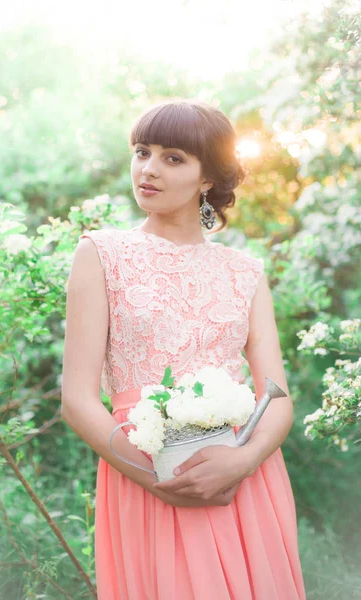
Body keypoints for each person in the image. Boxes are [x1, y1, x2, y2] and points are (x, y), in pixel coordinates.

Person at [61, 100, 307, 599]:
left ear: (207, 179)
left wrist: (244, 460)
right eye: (141, 151)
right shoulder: (101, 255)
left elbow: (276, 396)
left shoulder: (244, 271)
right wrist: (158, 480)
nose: (148, 168)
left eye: (173, 158)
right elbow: (77, 398)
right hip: (146, 469)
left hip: (243, 476)